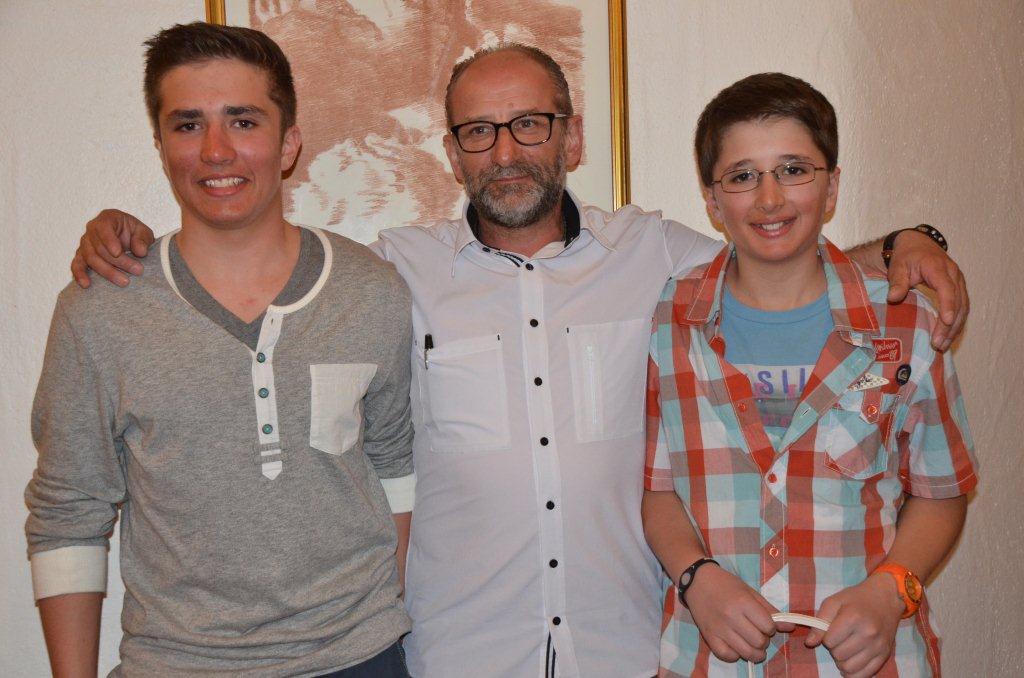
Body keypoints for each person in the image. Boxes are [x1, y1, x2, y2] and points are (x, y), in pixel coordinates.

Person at [68, 45, 968, 677]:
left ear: (571, 139)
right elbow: (263, 263)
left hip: (630, 647)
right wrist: (136, 242)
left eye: (529, 125)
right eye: (479, 131)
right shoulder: (390, 273)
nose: (505, 151)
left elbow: (776, 250)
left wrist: (906, 241)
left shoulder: (655, 255)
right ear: (453, 152)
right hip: (461, 651)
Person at [26, 23, 414, 677]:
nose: (215, 150)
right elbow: (68, 512)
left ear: (288, 143)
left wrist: (379, 621)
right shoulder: (100, 309)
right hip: (175, 662)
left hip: (358, 659)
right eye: (188, 125)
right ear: (160, 145)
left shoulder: (371, 291)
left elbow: (396, 464)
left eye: (243, 121)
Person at [642, 73, 977, 677]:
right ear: (713, 201)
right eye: (742, 176)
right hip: (709, 658)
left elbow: (942, 491)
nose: (770, 199)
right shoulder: (672, 317)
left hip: (865, 658)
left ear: (832, 187)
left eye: (793, 170)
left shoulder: (904, 325)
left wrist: (891, 589)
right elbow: (659, 486)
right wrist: (696, 578)